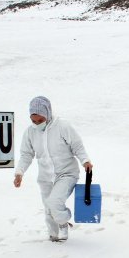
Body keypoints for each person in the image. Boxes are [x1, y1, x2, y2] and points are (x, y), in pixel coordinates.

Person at [14, 96, 93, 242]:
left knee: (54, 202)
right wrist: (20, 172)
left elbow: (77, 145)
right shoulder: (30, 132)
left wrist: (85, 160)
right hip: (45, 177)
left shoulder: (62, 126)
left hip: (66, 173)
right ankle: (54, 235)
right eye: (33, 121)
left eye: (40, 120)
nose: (37, 124)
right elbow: (26, 154)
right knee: (48, 207)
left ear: (48, 114)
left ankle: (63, 223)